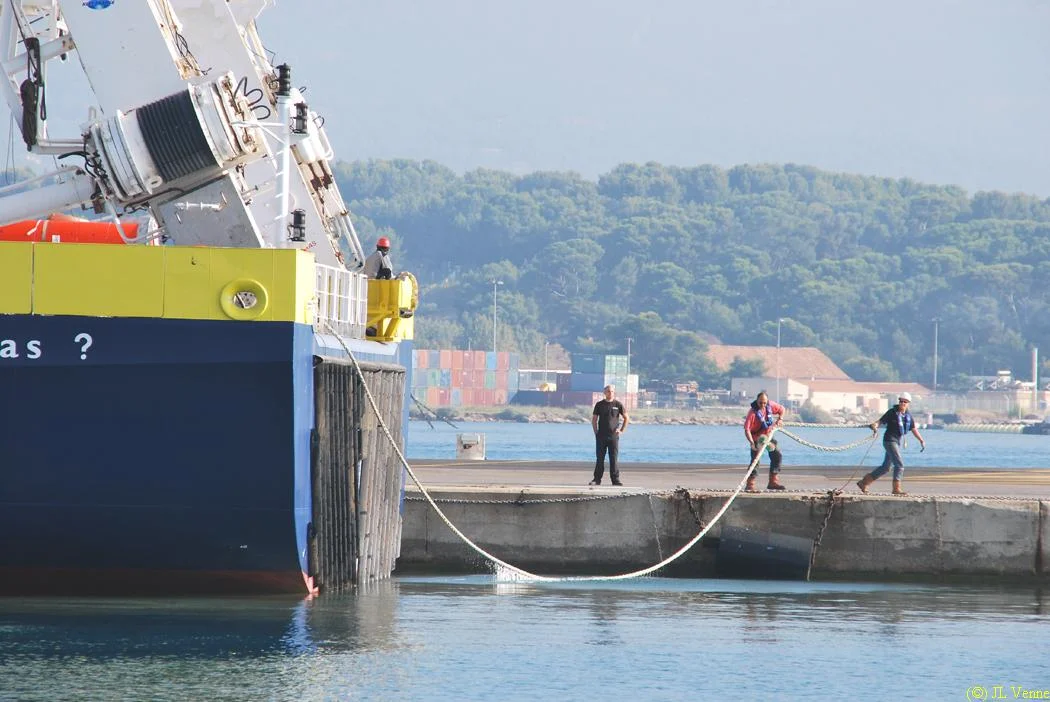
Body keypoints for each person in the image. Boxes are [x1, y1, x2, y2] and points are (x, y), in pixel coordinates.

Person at [857, 391, 925, 496]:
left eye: (905, 402)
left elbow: (913, 429)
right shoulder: (892, 412)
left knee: (886, 467)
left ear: (908, 403)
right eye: (901, 401)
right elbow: (880, 421)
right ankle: (896, 488)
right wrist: (875, 425)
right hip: (889, 440)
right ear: (899, 401)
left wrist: (921, 440)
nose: (902, 403)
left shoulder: (908, 416)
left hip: (896, 442)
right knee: (900, 465)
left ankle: (864, 482)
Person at [742, 391, 787, 492]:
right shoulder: (752, 413)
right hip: (756, 439)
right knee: (755, 460)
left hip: (768, 435)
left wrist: (780, 419)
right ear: (757, 401)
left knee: (777, 455)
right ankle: (750, 484)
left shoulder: (770, 405)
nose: (762, 405)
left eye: (764, 403)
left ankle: (773, 482)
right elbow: (747, 429)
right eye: (760, 403)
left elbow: (782, 409)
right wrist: (752, 443)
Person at [589, 385, 629, 486]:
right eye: (607, 391)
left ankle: (615, 480)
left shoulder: (618, 404)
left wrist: (622, 430)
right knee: (600, 458)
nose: (609, 393)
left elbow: (626, 418)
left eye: (611, 391)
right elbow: (594, 419)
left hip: (613, 437)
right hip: (601, 436)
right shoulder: (599, 404)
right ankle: (596, 479)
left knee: (613, 458)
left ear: (613, 392)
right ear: (604, 393)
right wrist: (596, 432)